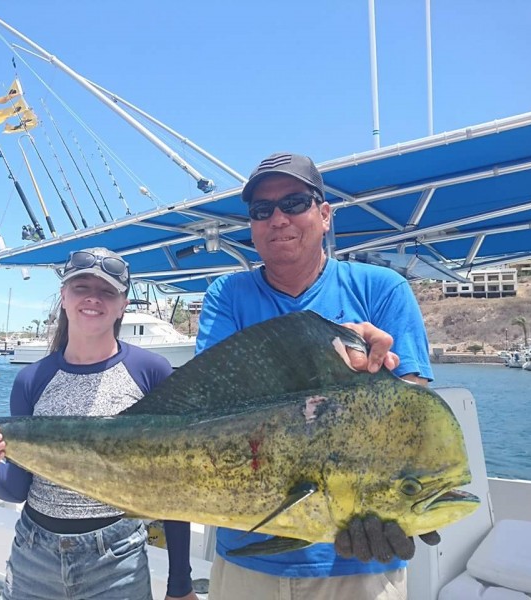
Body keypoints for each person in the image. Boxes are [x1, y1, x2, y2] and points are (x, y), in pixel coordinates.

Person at [196, 152, 437, 600]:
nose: (278, 218)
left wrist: (376, 381)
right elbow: (214, 415)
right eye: (261, 210)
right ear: (251, 225)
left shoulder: (383, 289)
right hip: (250, 552)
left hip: (356, 556)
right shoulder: (226, 295)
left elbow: (410, 422)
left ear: (325, 215)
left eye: (295, 202)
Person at [0, 247, 197, 600]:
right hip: (33, 556)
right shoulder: (31, 380)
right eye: (81, 288)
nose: (93, 299)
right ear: (63, 297)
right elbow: (20, 489)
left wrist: (180, 584)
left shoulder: (152, 372)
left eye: (107, 291)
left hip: (117, 560)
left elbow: (173, 486)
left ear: (123, 304)